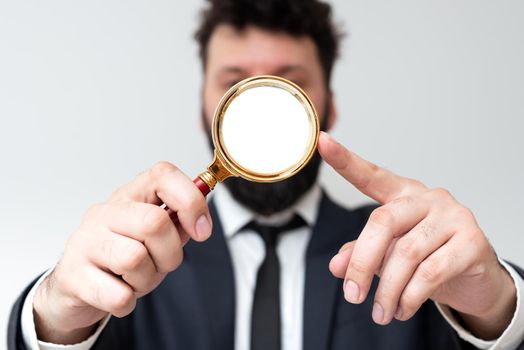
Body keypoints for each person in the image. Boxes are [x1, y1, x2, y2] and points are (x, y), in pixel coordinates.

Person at [8, 0, 524, 349]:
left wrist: (499, 305)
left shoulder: (402, 252)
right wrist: (55, 314)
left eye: (287, 86)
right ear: (204, 108)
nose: (263, 110)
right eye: (237, 85)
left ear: (328, 106)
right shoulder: (142, 257)